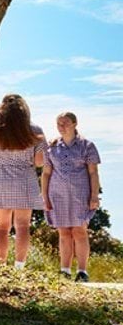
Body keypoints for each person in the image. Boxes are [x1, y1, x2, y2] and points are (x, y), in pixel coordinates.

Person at [0, 93, 45, 269]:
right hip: (25, 180)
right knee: (23, 226)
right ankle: (19, 266)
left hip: (0, 180)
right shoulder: (35, 131)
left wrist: (0, 159)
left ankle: (1, 265)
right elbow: (40, 161)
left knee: (1, 227)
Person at [42, 112, 102, 282]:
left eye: (65, 123)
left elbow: (93, 172)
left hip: (80, 195)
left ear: (75, 124)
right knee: (64, 233)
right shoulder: (51, 146)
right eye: (59, 123)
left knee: (79, 231)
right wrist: (44, 196)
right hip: (57, 195)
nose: (62, 126)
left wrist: (94, 196)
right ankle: (65, 270)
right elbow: (46, 173)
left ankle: (82, 271)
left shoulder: (87, 145)